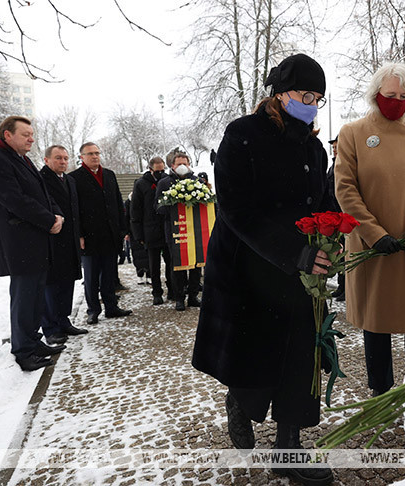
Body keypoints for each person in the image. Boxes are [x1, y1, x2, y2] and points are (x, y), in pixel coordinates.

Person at [191, 53, 334, 486]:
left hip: (298, 273)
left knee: (298, 359)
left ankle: (288, 446)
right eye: (305, 95)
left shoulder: (312, 145)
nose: (311, 103)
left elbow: (320, 201)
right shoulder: (243, 134)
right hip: (249, 269)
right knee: (255, 358)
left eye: (318, 98)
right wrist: (293, 251)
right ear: (279, 94)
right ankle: (240, 398)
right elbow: (235, 208)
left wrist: (331, 236)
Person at [335, 62, 405, 397]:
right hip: (374, 247)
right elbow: (345, 188)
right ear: (375, 94)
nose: (397, 101)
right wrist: (373, 232)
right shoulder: (353, 132)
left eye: (404, 96)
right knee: (377, 325)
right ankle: (380, 391)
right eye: (390, 94)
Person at [0, 116, 67, 371]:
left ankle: (32, 340)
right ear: (8, 135)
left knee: (36, 296)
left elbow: (41, 194)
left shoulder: (22, 160)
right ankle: (23, 350)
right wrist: (49, 219)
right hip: (19, 243)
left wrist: (55, 215)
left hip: (36, 241)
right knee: (24, 297)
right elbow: (14, 201)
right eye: (26, 134)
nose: (32, 138)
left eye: (32, 134)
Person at [69, 142, 132, 324]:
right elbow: (75, 209)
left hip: (110, 234)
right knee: (91, 276)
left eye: (97, 153)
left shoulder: (109, 175)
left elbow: (118, 204)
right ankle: (93, 309)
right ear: (81, 157)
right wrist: (79, 234)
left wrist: (123, 229)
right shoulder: (75, 178)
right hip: (89, 236)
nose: (95, 156)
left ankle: (111, 306)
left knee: (109, 273)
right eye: (90, 154)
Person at [39, 145, 89, 345]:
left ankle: (63, 320)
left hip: (70, 239)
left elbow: (76, 210)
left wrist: (80, 235)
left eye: (66, 158)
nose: (63, 162)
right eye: (58, 158)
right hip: (51, 240)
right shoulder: (41, 179)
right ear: (46, 160)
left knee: (67, 282)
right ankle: (50, 327)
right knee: (51, 285)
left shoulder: (69, 180)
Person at [155, 153, 203, 311]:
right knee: (178, 266)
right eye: (179, 163)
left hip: (195, 232)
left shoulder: (197, 182)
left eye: (185, 163)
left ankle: (193, 296)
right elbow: (158, 207)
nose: (183, 166)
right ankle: (179, 297)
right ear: (172, 166)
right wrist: (174, 204)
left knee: (196, 265)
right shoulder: (164, 183)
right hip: (175, 232)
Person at [131, 156, 171, 305]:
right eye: (157, 170)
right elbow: (135, 210)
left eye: (163, 170)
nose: (161, 173)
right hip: (150, 230)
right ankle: (157, 293)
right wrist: (138, 233)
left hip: (166, 228)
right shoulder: (141, 184)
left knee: (171, 262)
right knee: (154, 265)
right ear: (150, 169)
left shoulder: (168, 181)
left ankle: (172, 289)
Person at [326, 134, 346, 302]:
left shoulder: (347, 165)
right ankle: (342, 286)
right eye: (333, 147)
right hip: (335, 218)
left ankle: (348, 288)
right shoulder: (333, 166)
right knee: (339, 255)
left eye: (337, 146)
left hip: (346, 218)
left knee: (347, 255)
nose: (334, 149)